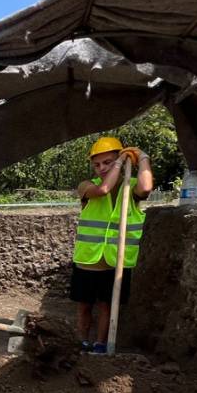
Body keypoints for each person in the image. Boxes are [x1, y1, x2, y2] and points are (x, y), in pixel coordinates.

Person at [72, 136, 154, 353]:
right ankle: (80, 342)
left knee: (107, 305)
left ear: (121, 160)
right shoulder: (87, 186)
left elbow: (146, 188)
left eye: (107, 162)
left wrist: (142, 157)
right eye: (97, 164)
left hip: (115, 260)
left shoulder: (132, 187)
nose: (101, 168)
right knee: (84, 306)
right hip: (88, 259)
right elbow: (103, 191)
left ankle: (101, 345)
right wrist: (119, 163)